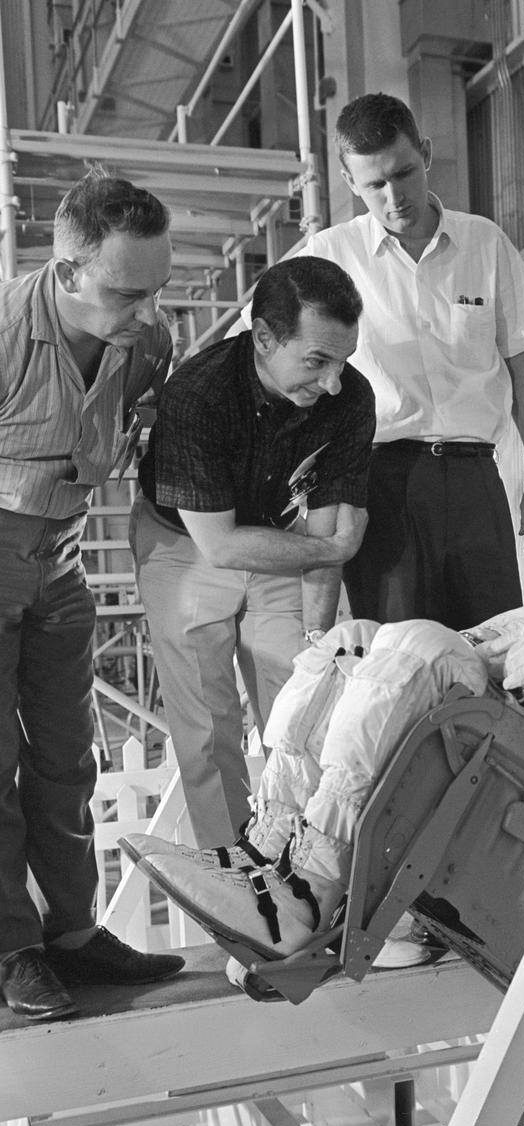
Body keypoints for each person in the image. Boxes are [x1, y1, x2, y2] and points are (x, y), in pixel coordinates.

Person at [123, 390, 524, 968]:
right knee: (349, 643)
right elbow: (517, 630)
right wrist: (424, 653)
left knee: (416, 640)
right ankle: (266, 856)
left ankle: (309, 890)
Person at [0, 166, 186, 1022]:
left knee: (71, 756)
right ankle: (13, 949)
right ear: (67, 270)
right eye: (126, 292)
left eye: (156, 289)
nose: (147, 312)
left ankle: (74, 936)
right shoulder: (5, 328)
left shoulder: (148, 342)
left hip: (65, 559)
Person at [283, 92, 524, 630]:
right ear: (348, 182)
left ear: (426, 153)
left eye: (404, 173)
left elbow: (521, 369)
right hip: (381, 484)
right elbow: (260, 339)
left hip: (478, 477)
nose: (394, 197)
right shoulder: (328, 256)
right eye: (374, 185)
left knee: (497, 647)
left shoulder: (485, 243)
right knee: (402, 659)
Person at [131, 257, 374, 850]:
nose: (334, 381)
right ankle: (240, 880)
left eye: (344, 359)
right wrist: (331, 546)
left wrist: (317, 646)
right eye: (317, 361)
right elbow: (220, 546)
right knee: (208, 731)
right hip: (183, 545)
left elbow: (327, 539)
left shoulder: (349, 397)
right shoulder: (198, 392)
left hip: (283, 539)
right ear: (264, 338)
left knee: (302, 709)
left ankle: (309, 868)